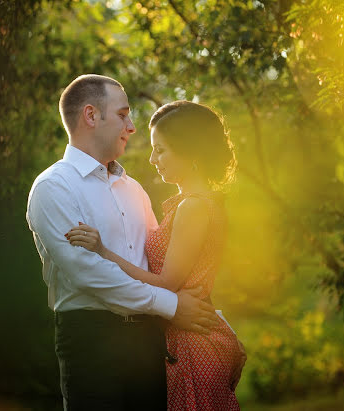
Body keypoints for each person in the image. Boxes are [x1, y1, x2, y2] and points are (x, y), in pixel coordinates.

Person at [26, 75, 222, 410]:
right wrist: (173, 307)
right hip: (92, 342)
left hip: (149, 342)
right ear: (91, 116)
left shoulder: (134, 191)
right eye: (122, 114)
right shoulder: (53, 187)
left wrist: (217, 327)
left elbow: (163, 265)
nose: (131, 127)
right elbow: (89, 273)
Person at [67, 100, 245, 410]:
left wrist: (103, 251)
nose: (152, 159)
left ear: (191, 154)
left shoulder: (194, 207)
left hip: (193, 346)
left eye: (160, 150)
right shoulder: (195, 203)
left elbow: (166, 283)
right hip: (185, 337)